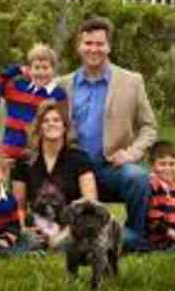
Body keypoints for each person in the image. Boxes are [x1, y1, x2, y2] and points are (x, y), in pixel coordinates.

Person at [58, 16, 157, 251]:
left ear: (109, 46)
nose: (94, 49)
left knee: (138, 178)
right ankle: (60, 234)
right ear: (79, 46)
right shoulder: (62, 85)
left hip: (111, 167)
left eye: (100, 44)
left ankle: (135, 237)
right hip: (75, 169)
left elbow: (149, 127)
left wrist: (131, 153)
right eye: (88, 43)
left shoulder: (131, 81)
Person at [10, 100, 98, 249]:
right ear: (39, 127)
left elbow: (90, 203)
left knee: (66, 243)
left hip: (72, 226)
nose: (51, 124)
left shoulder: (80, 158)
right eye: (45, 121)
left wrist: (65, 234)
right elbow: (19, 207)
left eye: (56, 120)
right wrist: (23, 228)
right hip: (37, 225)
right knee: (29, 241)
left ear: (65, 126)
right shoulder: (24, 161)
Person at [0, 43, 67, 160]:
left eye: (45, 68)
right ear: (29, 69)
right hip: (8, 153)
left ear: (53, 70)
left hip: (36, 155)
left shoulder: (57, 94)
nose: (41, 72)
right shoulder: (17, 86)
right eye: (37, 68)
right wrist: (17, 69)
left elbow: (62, 125)